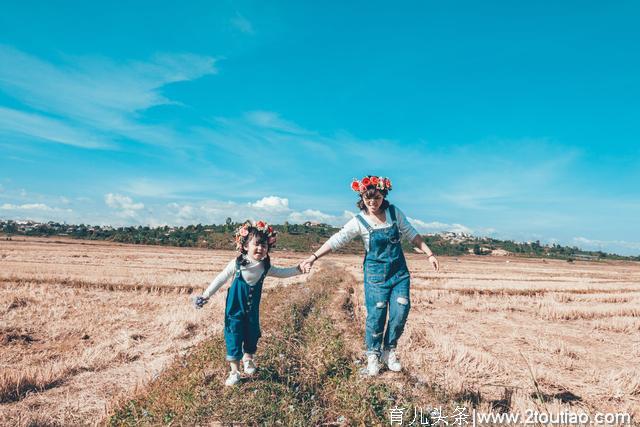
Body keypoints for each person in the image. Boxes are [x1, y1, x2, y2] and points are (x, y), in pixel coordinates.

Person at [300, 176, 439, 376]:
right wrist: (313, 257)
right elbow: (336, 240)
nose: (372, 202)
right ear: (362, 197)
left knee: (401, 311)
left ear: (384, 195)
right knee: (377, 315)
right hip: (375, 276)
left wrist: (429, 253)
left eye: (377, 197)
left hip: (399, 273)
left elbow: (411, 233)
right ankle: (373, 355)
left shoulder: (394, 213)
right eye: (368, 198)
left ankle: (389, 351)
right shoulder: (359, 221)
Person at [192, 220, 309, 386]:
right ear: (245, 246)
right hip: (234, 312)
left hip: (252, 312)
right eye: (257, 244)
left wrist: (298, 269)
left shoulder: (264, 267)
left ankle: (249, 359)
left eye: (264, 245)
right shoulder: (236, 265)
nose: (261, 248)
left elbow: (283, 273)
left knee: (252, 335)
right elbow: (220, 278)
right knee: (233, 337)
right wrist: (206, 295)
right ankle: (234, 372)